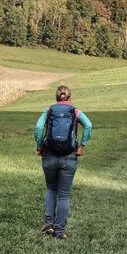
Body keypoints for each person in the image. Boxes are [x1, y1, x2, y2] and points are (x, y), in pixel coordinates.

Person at [34, 85, 92, 240]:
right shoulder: (75, 111)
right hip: (69, 157)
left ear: (56, 97)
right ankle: (59, 231)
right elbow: (88, 125)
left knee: (51, 188)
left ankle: (48, 224)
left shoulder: (48, 111)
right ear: (70, 97)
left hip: (49, 156)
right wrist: (82, 145)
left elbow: (39, 127)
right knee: (64, 195)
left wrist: (40, 146)